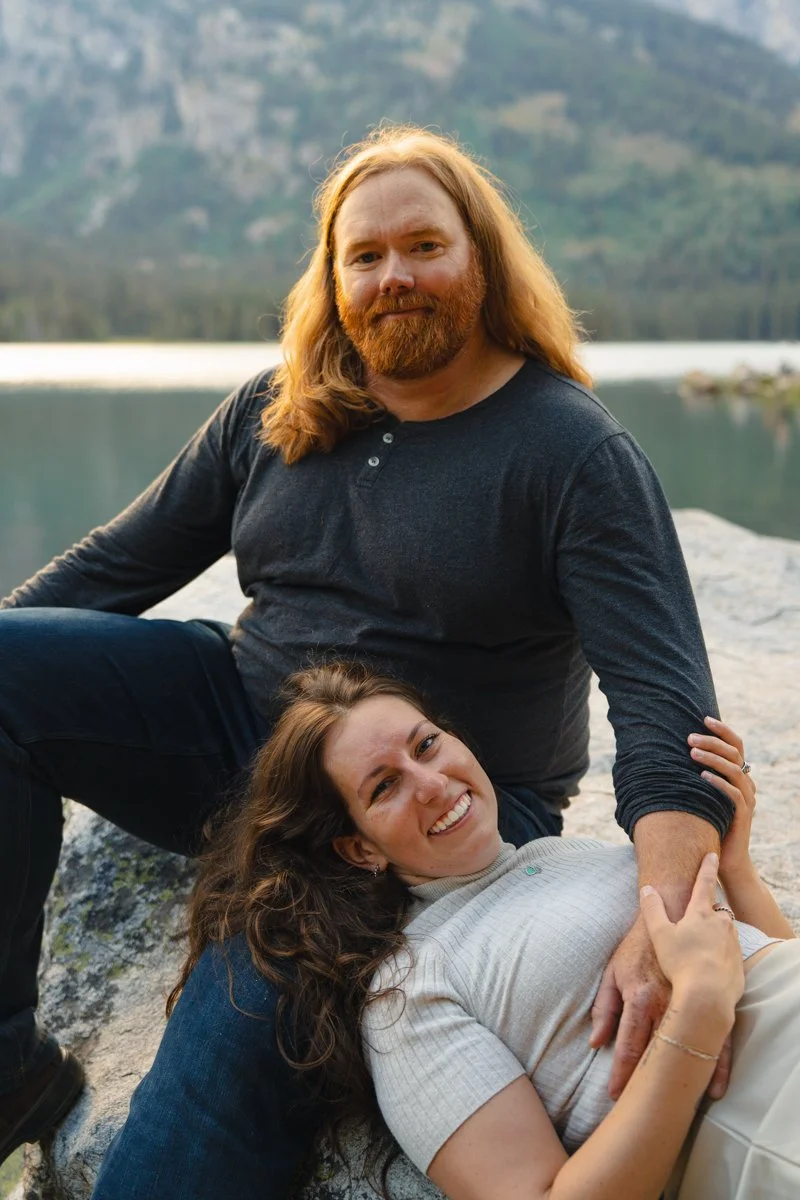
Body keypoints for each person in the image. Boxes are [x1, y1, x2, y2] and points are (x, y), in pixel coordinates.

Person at [0, 125, 733, 1196]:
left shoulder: (570, 451)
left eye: (422, 247)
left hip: (428, 801)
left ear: (479, 262)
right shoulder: (276, 407)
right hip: (241, 722)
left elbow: (666, 713)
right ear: (333, 278)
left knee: (243, 1008)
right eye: (365, 255)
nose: (394, 277)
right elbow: (105, 572)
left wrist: (662, 926)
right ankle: (9, 1072)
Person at [171, 660, 797, 1200]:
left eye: (426, 745)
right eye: (385, 786)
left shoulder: (565, 853)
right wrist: (698, 1016)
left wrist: (736, 875)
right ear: (359, 849)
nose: (433, 783)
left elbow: (770, 964)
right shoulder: (407, 992)